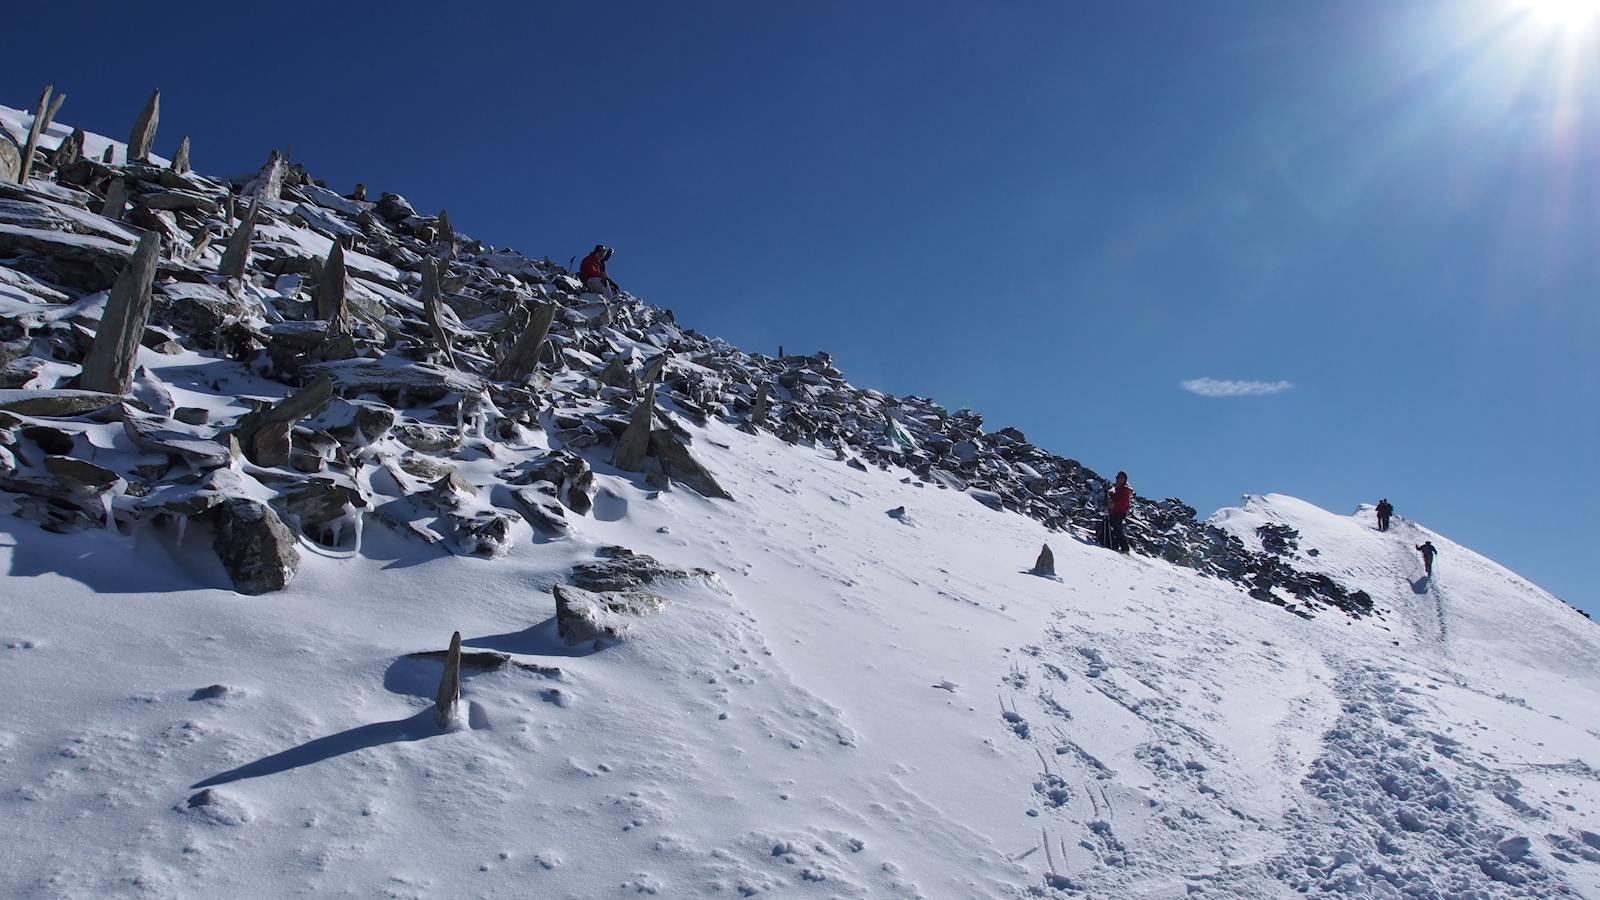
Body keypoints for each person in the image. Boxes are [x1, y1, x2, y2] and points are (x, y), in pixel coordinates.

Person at [1106, 471, 1132, 554]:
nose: (1118, 479)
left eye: (1120, 478)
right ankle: (1116, 545)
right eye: (1117, 478)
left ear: (1124, 479)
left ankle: (1124, 547)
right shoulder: (1117, 489)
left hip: (1119, 511)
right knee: (1115, 528)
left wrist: (1113, 503)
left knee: (1117, 528)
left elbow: (1124, 502)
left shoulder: (1125, 489)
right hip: (1114, 511)